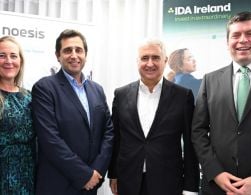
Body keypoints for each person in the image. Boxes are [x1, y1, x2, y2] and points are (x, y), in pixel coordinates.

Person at [108, 38, 200, 195]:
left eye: (156, 58)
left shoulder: (183, 96)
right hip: (128, 181)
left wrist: (190, 187)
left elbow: (191, 144)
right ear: (137, 61)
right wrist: (114, 174)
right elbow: (116, 138)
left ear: (164, 61)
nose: (150, 64)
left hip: (168, 183)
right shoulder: (121, 94)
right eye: (144, 58)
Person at [31, 29, 114, 195]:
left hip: (91, 184)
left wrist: (97, 171)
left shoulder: (97, 89)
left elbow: (109, 132)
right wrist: (84, 175)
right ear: (58, 56)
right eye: (67, 50)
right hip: (57, 185)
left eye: (79, 50)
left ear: (85, 54)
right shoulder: (44, 88)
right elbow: (50, 139)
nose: (74, 55)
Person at [192, 11, 251, 195]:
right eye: (236, 35)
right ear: (227, 42)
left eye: (250, 33)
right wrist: (215, 172)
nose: (242, 40)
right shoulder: (210, 80)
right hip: (217, 186)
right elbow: (198, 131)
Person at [0, 36, 36, 194]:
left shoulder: (30, 96)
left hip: (29, 175)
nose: (8, 61)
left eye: (13, 55)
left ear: (20, 61)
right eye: (2, 55)